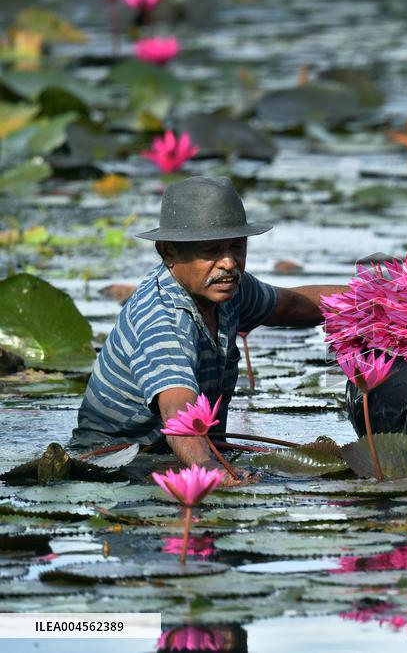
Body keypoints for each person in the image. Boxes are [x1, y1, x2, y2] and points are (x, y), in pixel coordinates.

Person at [72, 176, 345, 484]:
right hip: (113, 464)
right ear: (169, 252)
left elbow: (293, 306)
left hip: (178, 453)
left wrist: (380, 300)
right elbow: (177, 410)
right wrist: (213, 471)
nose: (229, 262)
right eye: (211, 250)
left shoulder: (224, 287)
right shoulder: (164, 319)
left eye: (236, 247)